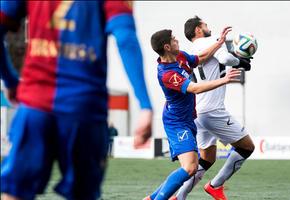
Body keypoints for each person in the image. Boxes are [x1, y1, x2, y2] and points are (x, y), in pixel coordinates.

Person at [0, 1, 153, 200]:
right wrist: (145, 105)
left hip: (35, 105)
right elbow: (125, 38)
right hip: (84, 109)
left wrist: (11, 80)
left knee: (15, 192)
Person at [144, 27, 241, 200]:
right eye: (173, 39)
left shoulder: (180, 55)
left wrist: (218, 44)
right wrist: (224, 79)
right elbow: (194, 88)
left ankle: (151, 198)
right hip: (176, 122)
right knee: (189, 168)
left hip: (188, 119)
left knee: (192, 167)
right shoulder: (168, 74)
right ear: (166, 47)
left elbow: (201, 58)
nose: (177, 40)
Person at [172, 16, 255, 200]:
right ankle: (215, 185)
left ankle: (179, 196)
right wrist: (240, 61)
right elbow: (225, 57)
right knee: (247, 147)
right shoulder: (211, 41)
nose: (209, 27)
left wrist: (238, 61)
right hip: (212, 110)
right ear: (198, 30)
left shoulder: (190, 50)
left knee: (207, 159)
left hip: (197, 111)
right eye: (205, 25)